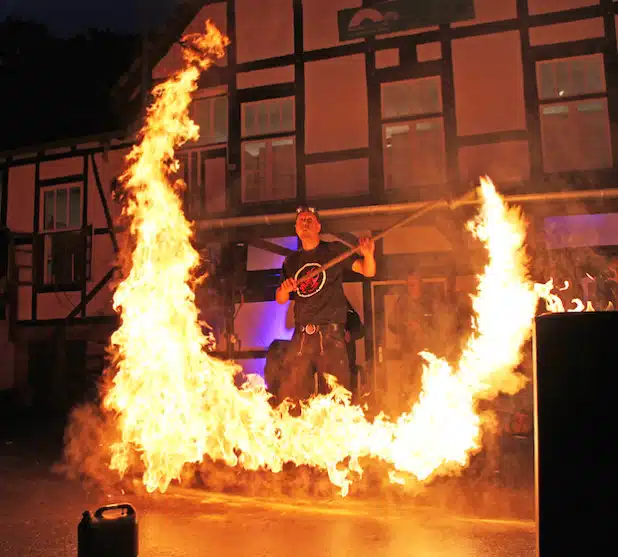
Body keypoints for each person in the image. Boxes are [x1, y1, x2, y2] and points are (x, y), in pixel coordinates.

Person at [274, 206, 376, 405]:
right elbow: (280, 298)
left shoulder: (333, 251)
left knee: (336, 398)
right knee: (290, 396)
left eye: (309, 220)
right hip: (301, 337)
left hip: (330, 337)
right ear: (296, 228)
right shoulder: (291, 262)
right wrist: (285, 290)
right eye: (301, 220)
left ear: (318, 226)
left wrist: (368, 255)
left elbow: (367, 271)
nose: (305, 223)